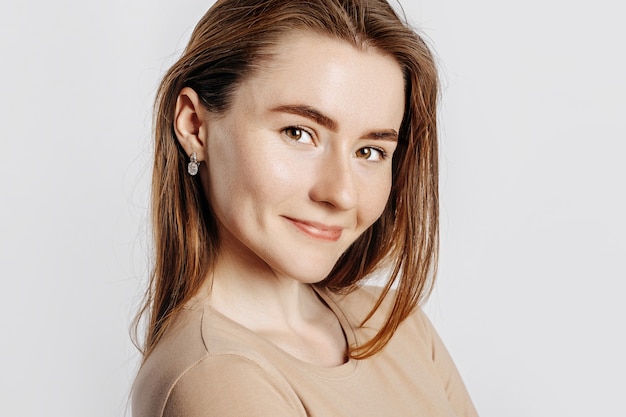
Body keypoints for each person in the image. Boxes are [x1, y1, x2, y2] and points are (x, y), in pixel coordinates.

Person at [132, 0, 478, 415]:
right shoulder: (215, 377)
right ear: (194, 126)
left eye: (370, 150)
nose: (342, 194)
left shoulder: (393, 322)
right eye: (299, 133)